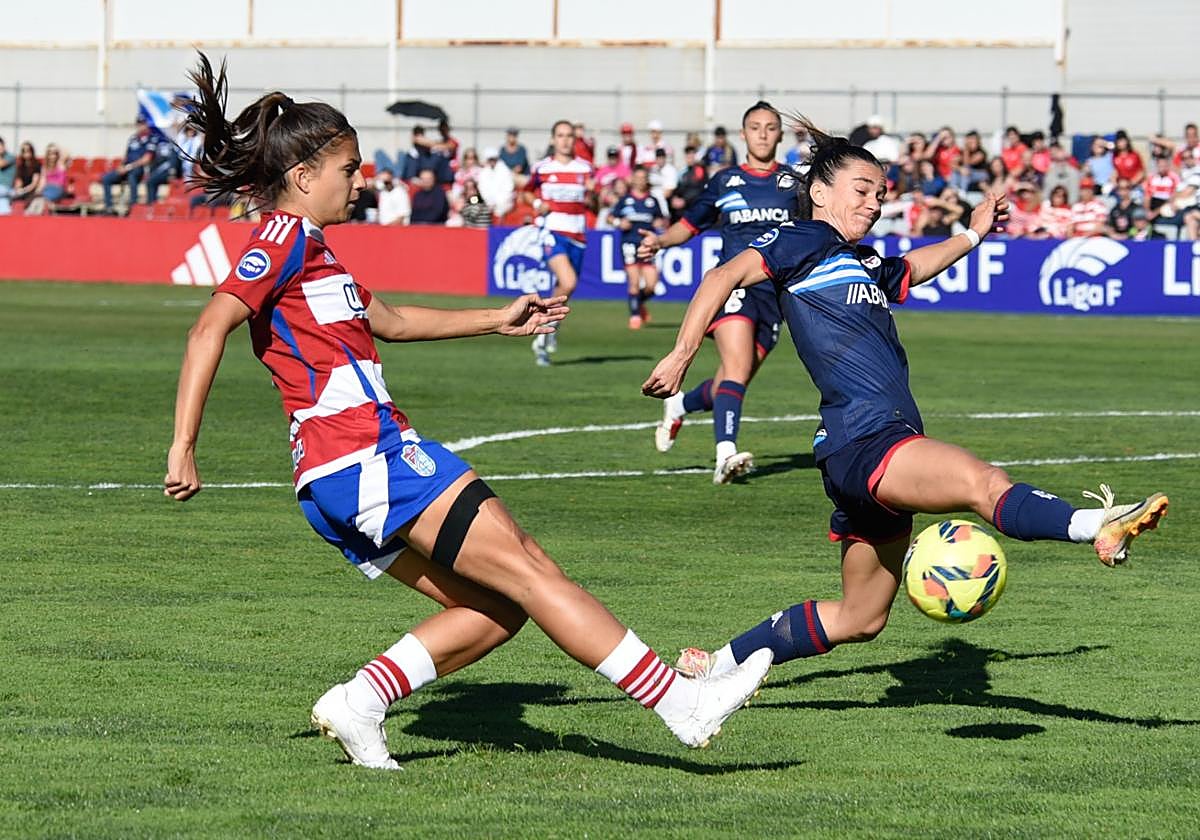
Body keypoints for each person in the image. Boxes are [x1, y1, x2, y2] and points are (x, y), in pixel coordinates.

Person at [164, 54, 772, 771]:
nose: (361, 182)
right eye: (349, 168)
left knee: (499, 606)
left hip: (342, 475)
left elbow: (386, 319)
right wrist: (184, 445)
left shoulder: (316, 251)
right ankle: (681, 704)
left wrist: (497, 320)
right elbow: (210, 326)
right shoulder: (282, 238)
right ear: (304, 176)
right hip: (365, 455)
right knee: (530, 569)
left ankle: (360, 702)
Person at [643, 116, 1168, 682]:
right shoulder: (804, 239)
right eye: (861, 191)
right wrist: (682, 352)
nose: (873, 204)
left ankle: (716, 664)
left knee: (860, 618)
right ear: (820, 193)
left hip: (858, 448)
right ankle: (1097, 524)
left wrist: (972, 233)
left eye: (881, 195)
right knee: (982, 483)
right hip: (867, 438)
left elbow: (916, 265)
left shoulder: (862, 259)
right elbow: (721, 276)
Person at [639, 101, 795, 484]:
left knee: (731, 378)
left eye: (770, 127)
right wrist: (660, 242)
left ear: (780, 134)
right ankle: (725, 454)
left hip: (774, 296)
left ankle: (680, 404)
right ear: (743, 135)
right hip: (733, 286)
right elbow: (689, 225)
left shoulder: (794, 185)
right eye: (755, 127)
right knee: (737, 369)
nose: (762, 133)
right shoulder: (725, 181)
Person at [525, 119, 594, 366]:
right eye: (561, 135)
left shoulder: (585, 169)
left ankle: (545, 331)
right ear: (553, 139)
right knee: (569, 281)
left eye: (569, 136)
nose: (565, 140)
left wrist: (594, 194)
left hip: (578, 235)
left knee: (564, 292)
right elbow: (526, 191)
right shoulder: (542, 168)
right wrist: (536, 205)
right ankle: (547, 329)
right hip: (553, 232)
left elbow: (592, 205)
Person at [612, 165, 667, 329]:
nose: (640, 181)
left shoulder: (652, 201)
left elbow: (661, 219)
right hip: (629, 243)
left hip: (647, 245)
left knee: (651, 285)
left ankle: (638, 304)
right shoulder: (625, 200)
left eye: (644, 178)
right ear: (633, 179)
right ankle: (635, 316)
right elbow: (611, 217)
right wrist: (618, 222)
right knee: (634, 281)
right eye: (638, 177)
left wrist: (659, 223)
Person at [101, 115, 156, 213]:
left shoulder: (151, 139)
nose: (140, 126)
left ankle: (133, 206)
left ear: (146, 125)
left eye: (142, 124)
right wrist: (121, 166)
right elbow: (126, 156)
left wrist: (128, 167)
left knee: (132, 176)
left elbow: (147, 159)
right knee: (106, 178)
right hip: (127, 168)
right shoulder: (133, 138)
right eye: (138, 124)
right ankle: (109, 207)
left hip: (139, 169)